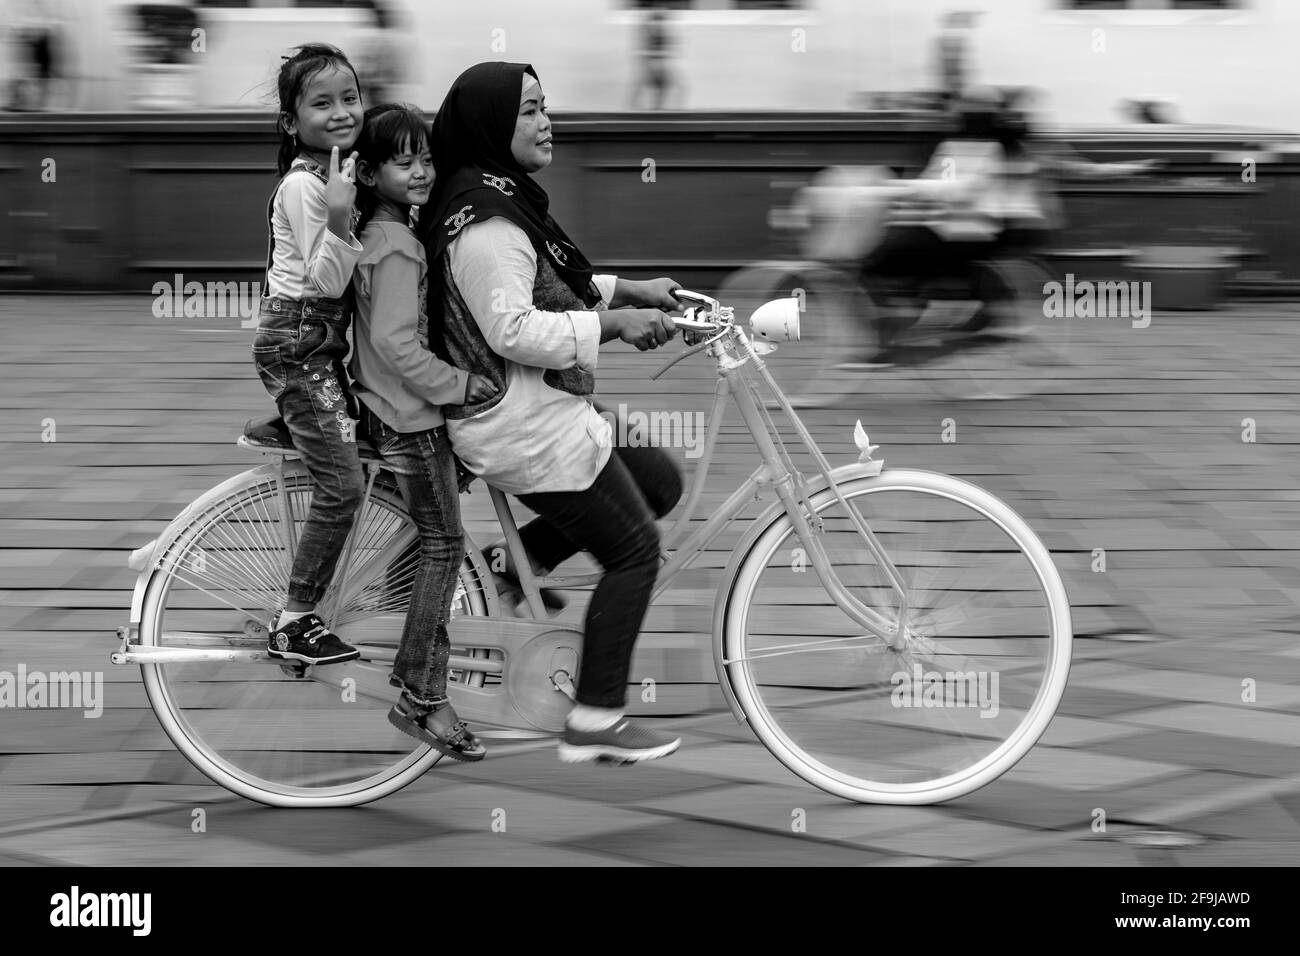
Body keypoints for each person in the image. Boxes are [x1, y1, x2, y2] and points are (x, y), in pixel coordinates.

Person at [424, 61, 687, 764]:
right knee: (633, 552)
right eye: (531, 110)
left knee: (661, 482)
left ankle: (510, 570)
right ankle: (597, 718)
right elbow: (513, 329)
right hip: (516, 421)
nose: (548, 122)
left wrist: (632, 290)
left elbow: (550, 284)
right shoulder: (483, 224)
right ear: (491, 125)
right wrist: (613, 325)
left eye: (546, 107)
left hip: (542, 404)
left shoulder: (502, 200)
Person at [348, 102, 498, 760]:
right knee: (445, 542)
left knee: (428, 537)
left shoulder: (375, 234)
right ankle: (423, 692)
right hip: (410, 420)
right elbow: (397, 345)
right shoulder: (400, 245)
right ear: (371, 171)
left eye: (426, 159)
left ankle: (401, 615)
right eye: (402, 161)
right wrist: (462, 385)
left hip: (386, 412)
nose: (420, 171)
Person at [251, 44, 367, 665]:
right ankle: (295, 617)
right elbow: (325, 281)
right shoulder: (306, 184)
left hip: (313, 342)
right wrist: (344, 218)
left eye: (350, 98)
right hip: (298, 343)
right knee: (343, 485)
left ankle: (303, 420)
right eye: (323, 103)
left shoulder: (334, 172)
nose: (342, 112)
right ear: (293, 122)